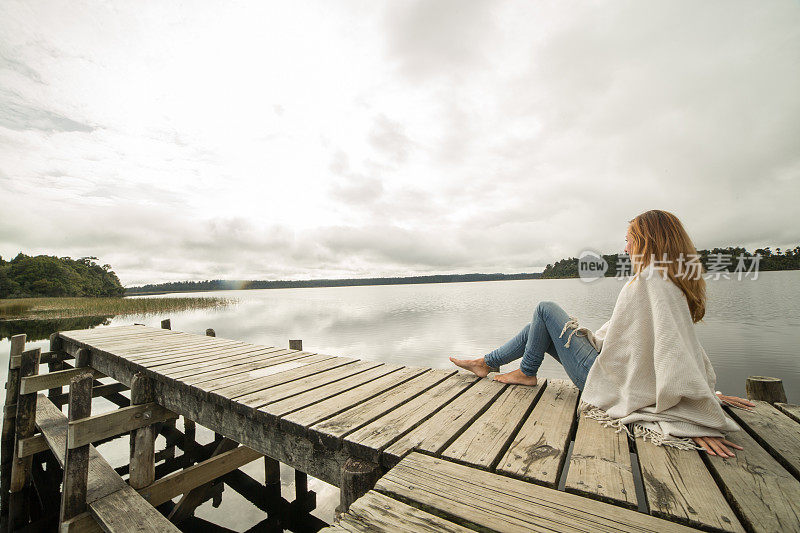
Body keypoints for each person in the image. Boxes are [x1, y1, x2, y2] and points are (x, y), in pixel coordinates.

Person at [451, 209, 753, 457]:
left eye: (629, 240)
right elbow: (676, 344)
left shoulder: (652, 280)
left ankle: (525, 372)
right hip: (609, 368)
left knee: (544, 309)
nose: (625, 248)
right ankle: (487, 363)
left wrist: (695, 404)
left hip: (602, 378)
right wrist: (705, 391)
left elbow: (672, 349)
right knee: (537, 327)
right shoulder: (668, 279)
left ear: (648, 240)